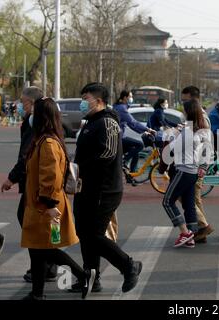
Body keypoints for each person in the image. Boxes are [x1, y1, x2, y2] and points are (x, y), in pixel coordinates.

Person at [69, 83, 142, 294]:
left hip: (105, 189)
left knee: (94, 235)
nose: (83, 102)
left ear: (99, 100)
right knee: (84, 233)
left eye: (86, 98)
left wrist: (80, 166)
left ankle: (129, 265)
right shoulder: (90, 122)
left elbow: (107, 154)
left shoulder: (108, 122)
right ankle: (91, 278)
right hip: (86, 188)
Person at [21, 97, 95, 300]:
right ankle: (37, 294)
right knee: (39, 249)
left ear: (42, 117)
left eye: (35, 111)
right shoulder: (43, 140)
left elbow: (50, 176)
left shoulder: (48, 144)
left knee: (44, 249)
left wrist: (50, 205)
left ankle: (82, 275)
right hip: (40, 205)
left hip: (46, 206)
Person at [0, 86, 58, 283]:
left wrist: (12, 178)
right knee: (32, 224)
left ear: (33, 104)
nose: (19, 105)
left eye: (23, 102)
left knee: (33, 225)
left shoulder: (36, 124)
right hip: (33, 182)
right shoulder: (33, 122)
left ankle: (46, 266)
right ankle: (46, 266)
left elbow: (27, 156)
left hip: (35, 184)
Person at [162, 99, 212, 248]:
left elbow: (173, 149)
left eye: (184, 111)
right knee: (189, 204)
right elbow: (208, 149)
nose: (182, 113)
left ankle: (185, 232)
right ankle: (191, 235)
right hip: (193, 171)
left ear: (188, 112)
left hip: (183, 170)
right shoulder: (200, 129)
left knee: (167, 201)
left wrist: (173, 134)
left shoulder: (188, 131)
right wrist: (203, 166)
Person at [181, 86, 214, 243]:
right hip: (190, 163)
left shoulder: (201, 117)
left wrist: (203, 166)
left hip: (196, 165)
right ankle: (200, 230)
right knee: (192, 198)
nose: (183, 104)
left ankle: (202, 227)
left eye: (185, 100)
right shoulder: (192, 116)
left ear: (194, 99)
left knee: (190, 197)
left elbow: (207, 144)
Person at [113, 90, 155, 177]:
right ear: (125, 97)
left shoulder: (119, 107)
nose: (131, 98)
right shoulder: (121, 109)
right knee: (140, 145)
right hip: (118, 137)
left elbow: (131, 124)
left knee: (135, 152)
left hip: (119, 136)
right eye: (130, 96)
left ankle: (131, 176)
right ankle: (123, 161)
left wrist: (145, 131)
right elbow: (133, 122)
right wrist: (148, 129)